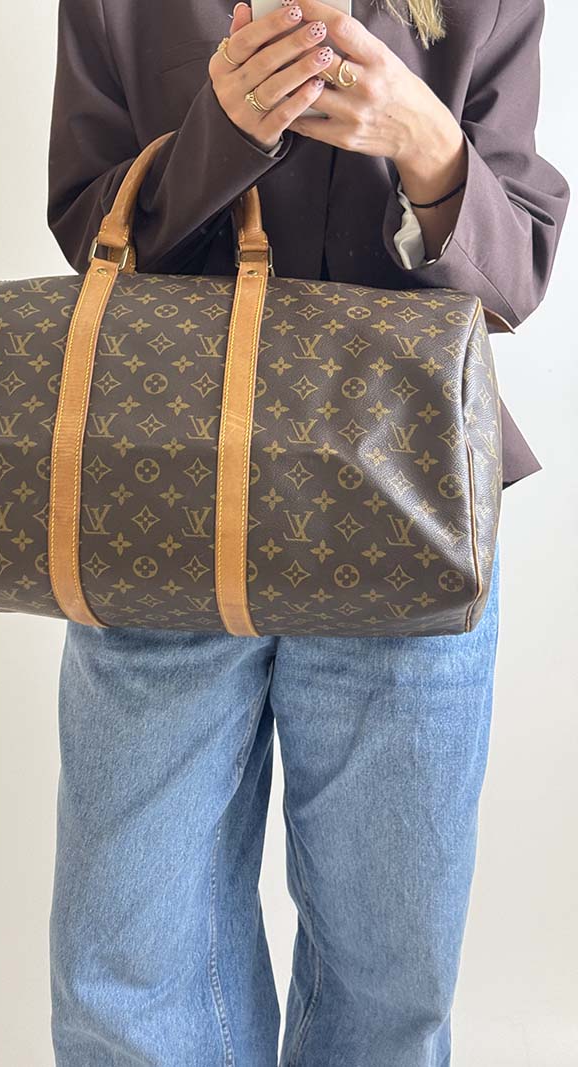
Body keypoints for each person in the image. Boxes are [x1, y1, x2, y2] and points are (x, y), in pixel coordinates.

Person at [45, 2, 569, 1064]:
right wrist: (219, 135)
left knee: (391, 980)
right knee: (126, 962)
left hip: (411, 511)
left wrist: (429, 150)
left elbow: (513, 279)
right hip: (168, 503)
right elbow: (89, 229)